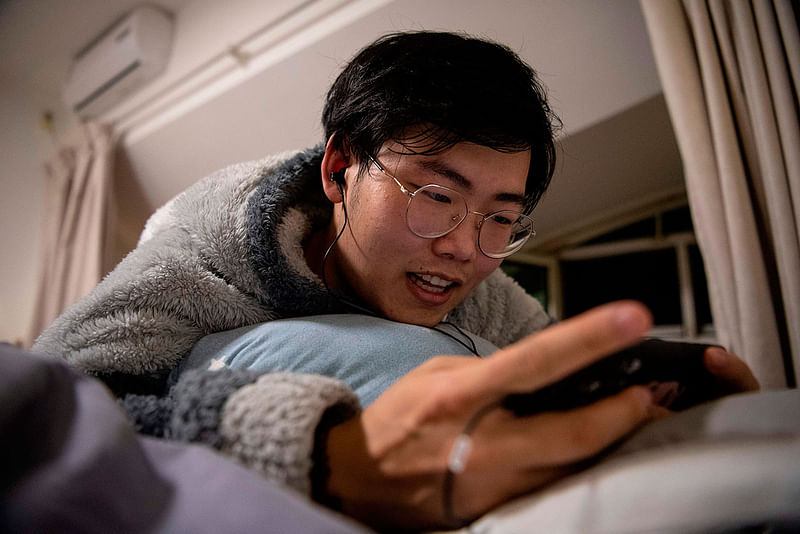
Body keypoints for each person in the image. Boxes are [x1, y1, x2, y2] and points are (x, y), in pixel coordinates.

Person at [30, 31, 758, 531]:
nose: (463, 250)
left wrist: (648, 401)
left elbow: (544, 379)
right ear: (341, 168)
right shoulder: (198, 253)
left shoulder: (483, 284)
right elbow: (59, 411)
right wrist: (322, 453)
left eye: (500, 218)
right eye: (436, 197)